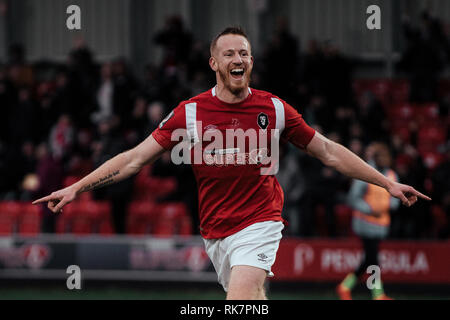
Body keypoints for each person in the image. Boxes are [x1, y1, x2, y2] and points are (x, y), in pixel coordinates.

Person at [32, 27, 431, 300]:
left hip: (260, 222)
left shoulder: (274, 108)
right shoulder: (189, 114)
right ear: (214, 64)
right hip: (216, 232)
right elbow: (134, 159)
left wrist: (386, 182)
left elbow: (327, 151)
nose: (238, 58)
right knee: (252, 299)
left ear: (251, 61)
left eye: (244, 53)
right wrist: (76, 187)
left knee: (238, 302)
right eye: (229, 54)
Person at [336, 143, 400, 300]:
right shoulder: (365, 173)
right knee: (373, 259)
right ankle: (377, 294)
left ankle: (345, 286)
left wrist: (389, 205)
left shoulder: (392, 175)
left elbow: (396, 198)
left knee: (369, 259)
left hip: (381, 225)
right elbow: (353, 198)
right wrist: (370, 209)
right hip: (365, 223)